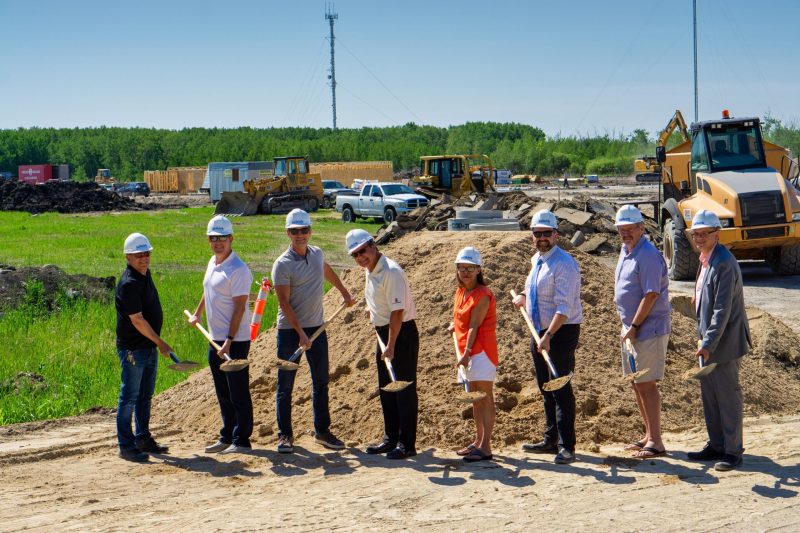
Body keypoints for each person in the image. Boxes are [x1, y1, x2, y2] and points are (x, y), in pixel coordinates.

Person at [273, 209, 354, 454]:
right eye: (295, 231)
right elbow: (284, 303)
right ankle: (285, 435)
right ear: (288, 233)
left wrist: (344, 291)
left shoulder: (317, 254)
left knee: (321, 381)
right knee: (285, 384)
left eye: (304, 230)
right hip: (290, 331)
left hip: (317, 327)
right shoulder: (282, 264)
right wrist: (300, 333)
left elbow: (326, 269)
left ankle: (322, 431)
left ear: (310, 231)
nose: (300, 235)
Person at [513, 209, 582, 465]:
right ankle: (550, 439)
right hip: (540, 330)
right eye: (537, 233)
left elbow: (564, 307)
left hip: (560, 332)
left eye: (546, 233)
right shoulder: (537, 260)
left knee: (561, 387)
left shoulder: (564, 264)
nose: (541, 238)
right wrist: (522, 294)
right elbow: (535, 286)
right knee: (546, 388)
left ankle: (567, 446)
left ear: (556, 234)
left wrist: (549, 334)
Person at [687, 210, 751, 472]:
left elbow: (721, 311)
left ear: (717, 234)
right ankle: (716, 445)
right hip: (709, 340)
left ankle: (733, 451)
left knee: (726, 396)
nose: (699, 238)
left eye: (704, 233)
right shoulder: (706, 259)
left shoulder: (723, 262)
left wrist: (708, 342)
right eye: (696, 234)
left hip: (723, 342)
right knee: (710, 396)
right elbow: (705, 296)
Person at [346, 229, 419, 460]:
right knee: (387, 388)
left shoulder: (391, 272)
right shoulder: (370, 269)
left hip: (400, 334)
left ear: (373, 245)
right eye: (355, 255)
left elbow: (397, 312)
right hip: (384, 333)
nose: (360, 257)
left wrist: (391, 345)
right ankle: (391, 438)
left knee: (403, 388)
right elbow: (383, 301)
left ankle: (407, 443)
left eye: (363, 251)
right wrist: (373, 309)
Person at [189, 215, 254, 454]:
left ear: (231, 239)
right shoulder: (213, 263)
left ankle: (242, 439)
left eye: (222, 238)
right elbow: (208, 290)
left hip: (234, 341)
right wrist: (197, 314)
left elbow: (239, 308)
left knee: (238, 390)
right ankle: (227, 435)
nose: (218, 242)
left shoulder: (238, 270)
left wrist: (228, 341)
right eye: (213, 238)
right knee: (222, 391)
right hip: (213, 338)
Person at [613, 205, 671, 459]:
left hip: (648, 329)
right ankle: (648, 434)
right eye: (621, 230)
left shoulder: (647, 255)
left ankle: (656, 441)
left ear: (641, 228)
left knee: (646, 384)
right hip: (632, 329)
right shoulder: (626, 251)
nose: (625, 234)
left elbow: (651, 294)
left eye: (630, 229)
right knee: (637, 384)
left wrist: (635, 326)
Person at [115, 232, 173, 463]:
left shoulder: (144, 275)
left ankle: (143, 438)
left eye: (147, 254)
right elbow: (137, 319)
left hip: (147, 347)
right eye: (139, 255)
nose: (144, 258)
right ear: (128, 257)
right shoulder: (129, 283)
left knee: (145, 396)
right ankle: (126, 445)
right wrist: (161, 343)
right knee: (129, 396)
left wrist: (155, 343)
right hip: (133, 349)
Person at [449, 247, 497, 462]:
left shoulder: (483, 294)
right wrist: (455, 325)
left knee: (484, 399)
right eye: (462, 268)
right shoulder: (461, 292)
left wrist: (467, 353)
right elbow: (463, 320)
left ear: (479, 270)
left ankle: (486, 447)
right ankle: (478, 441)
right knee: (476, 400)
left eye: (471, 268)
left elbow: (475, 326)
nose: (466, 272)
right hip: (467, 351)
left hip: (481, 352)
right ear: (457, 270)